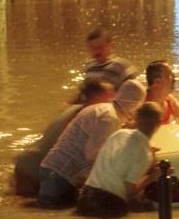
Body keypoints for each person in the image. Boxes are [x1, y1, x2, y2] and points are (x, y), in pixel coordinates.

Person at [37, 79, 146, 208]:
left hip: (54, 170)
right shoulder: (109, 119)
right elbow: (93, 154)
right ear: (133, 105)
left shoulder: (101, 108)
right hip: (59, 177)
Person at [14, 79, 115, 196]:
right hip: (41, 167)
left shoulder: (71, 109)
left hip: (26, 160)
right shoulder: (91, 117)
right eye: (111, 95)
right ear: (97, 98)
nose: (115, 99)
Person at [76, 102, 164, 218]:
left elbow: (121, 155)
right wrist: (152, 177)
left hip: (84, 198)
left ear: (136, 118)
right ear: (159, 124)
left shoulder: (118, 134)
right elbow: (129, 193)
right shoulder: (144, 154)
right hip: (108, 205)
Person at [71, 29, 137, 103]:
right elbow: (82, 93)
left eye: (100, 47)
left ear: (111, 46)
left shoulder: (122, 66)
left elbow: (135, 93)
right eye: (92, 48)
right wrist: (68, 105)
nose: (97, 51)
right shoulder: (89, 67)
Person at [144, 60, 179, 124]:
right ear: (157, 82)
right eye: (168, 75)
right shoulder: (141, 103)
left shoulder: (169, 100)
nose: (173, 78)